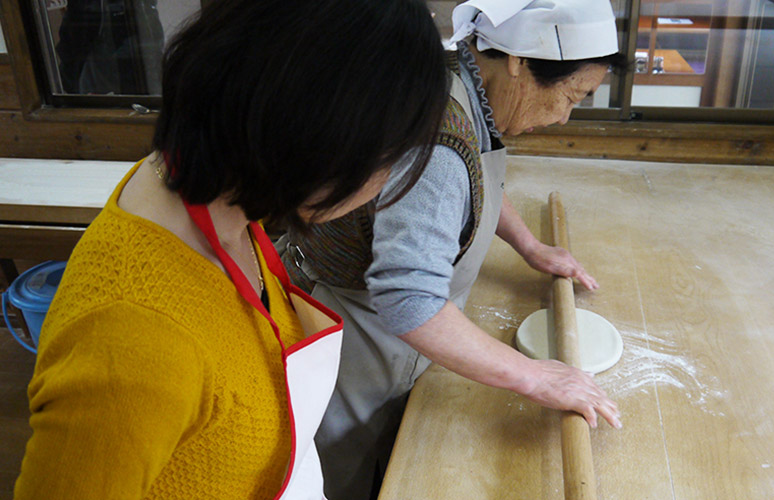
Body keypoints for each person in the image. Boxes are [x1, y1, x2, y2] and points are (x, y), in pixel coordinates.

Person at [14, 0, 448, 498]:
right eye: (390, 159)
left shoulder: (224, 202)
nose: (387, 182)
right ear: (321, 140)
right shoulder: (132, 341)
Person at [277, 1, 627, 499]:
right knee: (339, 472)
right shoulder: (439, 134)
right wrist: (535, 377)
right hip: (352, 332)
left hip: (388, 329)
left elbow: (475, 177)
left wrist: (529, 246)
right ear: (518, 60)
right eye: (571, 95)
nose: (563, 116)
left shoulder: (459, 81)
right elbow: (410, 300)